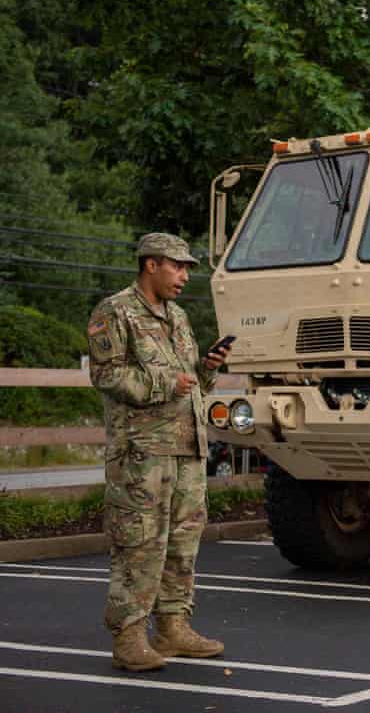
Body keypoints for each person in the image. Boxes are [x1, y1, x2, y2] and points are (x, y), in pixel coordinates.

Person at [86, 233, 232, 672]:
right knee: (140, 543)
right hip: (142, 454)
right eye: (177, 266)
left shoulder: (179, 316)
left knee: (182, 544)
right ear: (151, 265)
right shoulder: (115, 311)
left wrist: (206, 371)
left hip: (187, 448)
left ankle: (172, 629)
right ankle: (129, 638)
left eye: (187, 268)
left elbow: (189, 383)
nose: (185, 276)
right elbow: (107, 375)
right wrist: (166, 384)